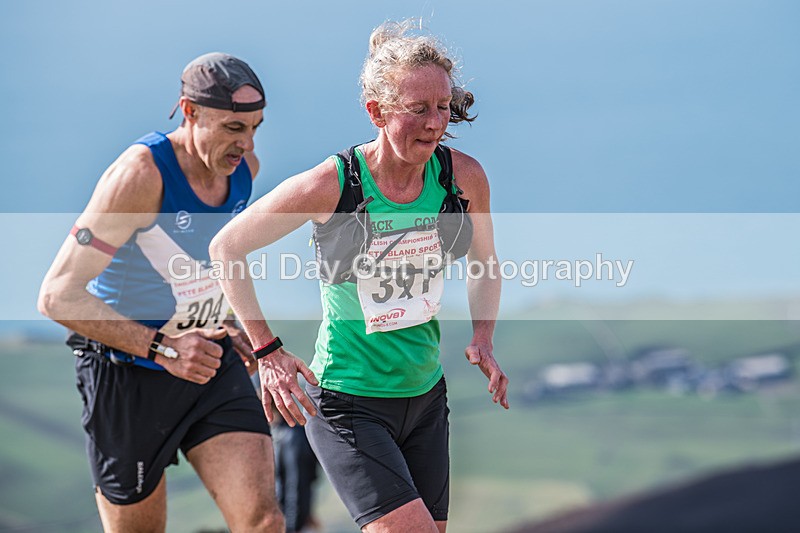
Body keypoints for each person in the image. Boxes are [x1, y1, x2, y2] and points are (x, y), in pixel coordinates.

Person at [210, 20, 509, 533]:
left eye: (442, 106)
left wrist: (483, 335)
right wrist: (267, 352)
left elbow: (485, 263)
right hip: (348, 403)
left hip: (425, 397)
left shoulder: (462, 178)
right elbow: (227, 247)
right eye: (417, 109)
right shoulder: (334, 184)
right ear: (376, 111)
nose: (435, 123)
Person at [38, 53, 284, 532]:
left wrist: (228, 323)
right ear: (190, 112)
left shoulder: (242, 167)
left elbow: (199, 260)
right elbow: (57, 296)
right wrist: (163, 347)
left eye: (256, 127)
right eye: (234, 127)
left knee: (264, 522)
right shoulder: (138, 176)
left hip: (208, 362)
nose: (248, 144)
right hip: (127, 374)